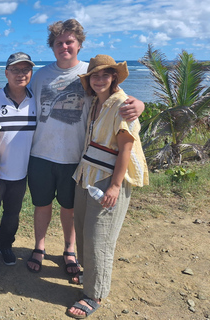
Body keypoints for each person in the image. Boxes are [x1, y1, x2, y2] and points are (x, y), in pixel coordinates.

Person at [27, 19, 145, 276]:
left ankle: (69, 249)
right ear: (52, 47)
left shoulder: (91, 73)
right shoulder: (41, 76)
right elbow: (20, 98)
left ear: (79, 44)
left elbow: (118, 98)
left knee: (69, 208)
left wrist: (141, 105)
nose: (64, 46)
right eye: (59, 43)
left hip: (76, 157)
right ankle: (40, 246)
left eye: (70, 42)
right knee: (41, 205)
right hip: (40, 154)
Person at [65, 54, 149, 318]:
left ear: (114, 77)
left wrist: (114, 186)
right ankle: (90, 277)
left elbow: (126, 147)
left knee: (99, 236)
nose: (99, 79)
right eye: (94, 76)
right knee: (82, 228)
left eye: (105, 74)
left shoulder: (122, 104)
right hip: (87, 173)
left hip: (108, 177)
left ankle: (95, 293)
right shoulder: (95, 103)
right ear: (89, 81)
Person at [0, 52, 36, 275]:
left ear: (31, 73)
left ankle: (6, 245)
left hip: (21, 173)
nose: (20, 74)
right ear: (6, 73)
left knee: (13, 214)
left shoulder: (35, 99)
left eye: (25, 70)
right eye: (15, 70)